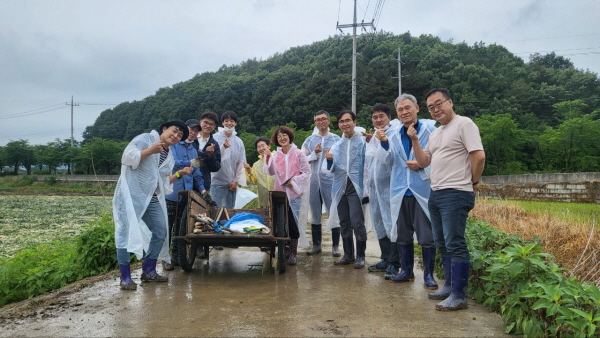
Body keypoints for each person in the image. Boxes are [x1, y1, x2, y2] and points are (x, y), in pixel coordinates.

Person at [409, 88, 485, 311]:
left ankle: (459, 295)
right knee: (441, 241)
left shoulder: (464, 124)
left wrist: (473, 182)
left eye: (439, 104)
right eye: (431, 107)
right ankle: (450, 287)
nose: (435, 109)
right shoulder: (436, 133)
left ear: (450, 102)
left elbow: (478, 155)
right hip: (437, 192)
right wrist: (414, 140)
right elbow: (423, 161)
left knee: (455, 242)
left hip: (456, 192)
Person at [113, 119, 192, 290]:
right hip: (131, 194)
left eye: (180, 135)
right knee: (125, 233)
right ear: (164, 129)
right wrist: (149, 151)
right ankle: (125, 277)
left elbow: (163, 182)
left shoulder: (169, 156)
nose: (176, 136)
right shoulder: (146, 139)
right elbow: (126, 157)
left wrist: (179, 174)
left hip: (151, 197)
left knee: (161, 230)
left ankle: (148, 270)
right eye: (175, 131)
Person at [377, 94, 437, 289]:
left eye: (408, 108)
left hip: (422, 190)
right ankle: (406, 271)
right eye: (400, 110)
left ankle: (428, 275)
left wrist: (421, 166)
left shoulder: (430, 131)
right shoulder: (393, 135)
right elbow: (387, 161)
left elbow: (438, 160)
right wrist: (384, 143)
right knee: (402, 234)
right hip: (400, 190)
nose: (404, 112)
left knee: (426, 236)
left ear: (417, 108)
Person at [362, 104, 402, 278]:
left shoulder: (395, 133)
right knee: (379, 224)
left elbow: (392, 158)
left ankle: (395, 263)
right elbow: (370, 165)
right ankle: (385, 258)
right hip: (375, 190)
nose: (378, 120)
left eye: (381, 116)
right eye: (375, 117)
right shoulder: (374, 138)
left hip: (390, 188)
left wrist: (384, 140)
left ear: (389, 117)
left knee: (391, 224)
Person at [324, 110, 368, 269]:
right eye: (341, 121)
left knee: (357, 222)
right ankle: (348, 254)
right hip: (340, 188)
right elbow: (330, 169)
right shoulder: (337, 145)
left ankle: (361, 256)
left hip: (355, 189)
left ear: (354, 122)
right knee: (344, 222)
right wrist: (329, 160)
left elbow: (368, 165)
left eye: (348, 120)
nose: (345, 124)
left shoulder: (363, 142)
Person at [264, 126, 311, 265]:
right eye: (279, 137)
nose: (282, 138)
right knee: (280, 222)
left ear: (290, 136)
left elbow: (307, 172)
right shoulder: (276, 155)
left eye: (284, 135)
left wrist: (294, 182)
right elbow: (270, 172)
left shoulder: (298, 153)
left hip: (294, 193)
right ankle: (283, 248)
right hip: (280, 194)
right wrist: (268, 156)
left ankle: (293, 252)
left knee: (293, 223)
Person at [163, 119, 206, 271]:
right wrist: (191, 162)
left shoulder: (194, 150)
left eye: (196, 131)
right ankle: (165, 259)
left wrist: (203, 190)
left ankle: (177, 257)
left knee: (181, 229)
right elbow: (173, 163)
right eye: (191, 130)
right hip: (171, 193)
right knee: (167, 228)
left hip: (186, 196)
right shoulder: (173, 145)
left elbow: (197, 174)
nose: (193, 133)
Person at [301, 110, 342, 256]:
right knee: (315, 212)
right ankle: (316, 245)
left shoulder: (336, 139)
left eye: (323, 119)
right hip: (313, 182)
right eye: (318, 120)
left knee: (333, 212)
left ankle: (335, 246)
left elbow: (341, 160)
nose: (321, 122)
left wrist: (331, 158)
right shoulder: (309, 140)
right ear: (315, 123)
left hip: (330, 181)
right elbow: (302, 160)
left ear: (329, 121)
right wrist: (315, 154)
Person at [211, 111, 247, 208]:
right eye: (226, 121)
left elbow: (241, 162)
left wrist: (236, 181)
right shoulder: (214, 138)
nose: (229, 123)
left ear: (235, 123)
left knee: (229, 212)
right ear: (222, 123)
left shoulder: (239, 142)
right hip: (216, 181)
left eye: (232, 121)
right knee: (214, 211)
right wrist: (223, 148)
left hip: (231, 184)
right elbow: (212, 158)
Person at [192, 111, 221, 192]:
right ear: (200, 122)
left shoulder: (214, 144)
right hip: (186, 181)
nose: (208, 126)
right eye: (206, 122)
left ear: (214, 127)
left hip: (204, 184)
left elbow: (215, 168)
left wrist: (210, 155)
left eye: (211, 124)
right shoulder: (191, 138)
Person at [244, 137, 274, 208]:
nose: (261, 148)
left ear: (268, 146)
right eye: (258, 147)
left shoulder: (278, 157)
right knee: (266, 217)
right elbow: (254, 181)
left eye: (262, 146)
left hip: (278, 195)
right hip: (264, 198)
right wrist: (248, 169)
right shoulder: (256, 165)